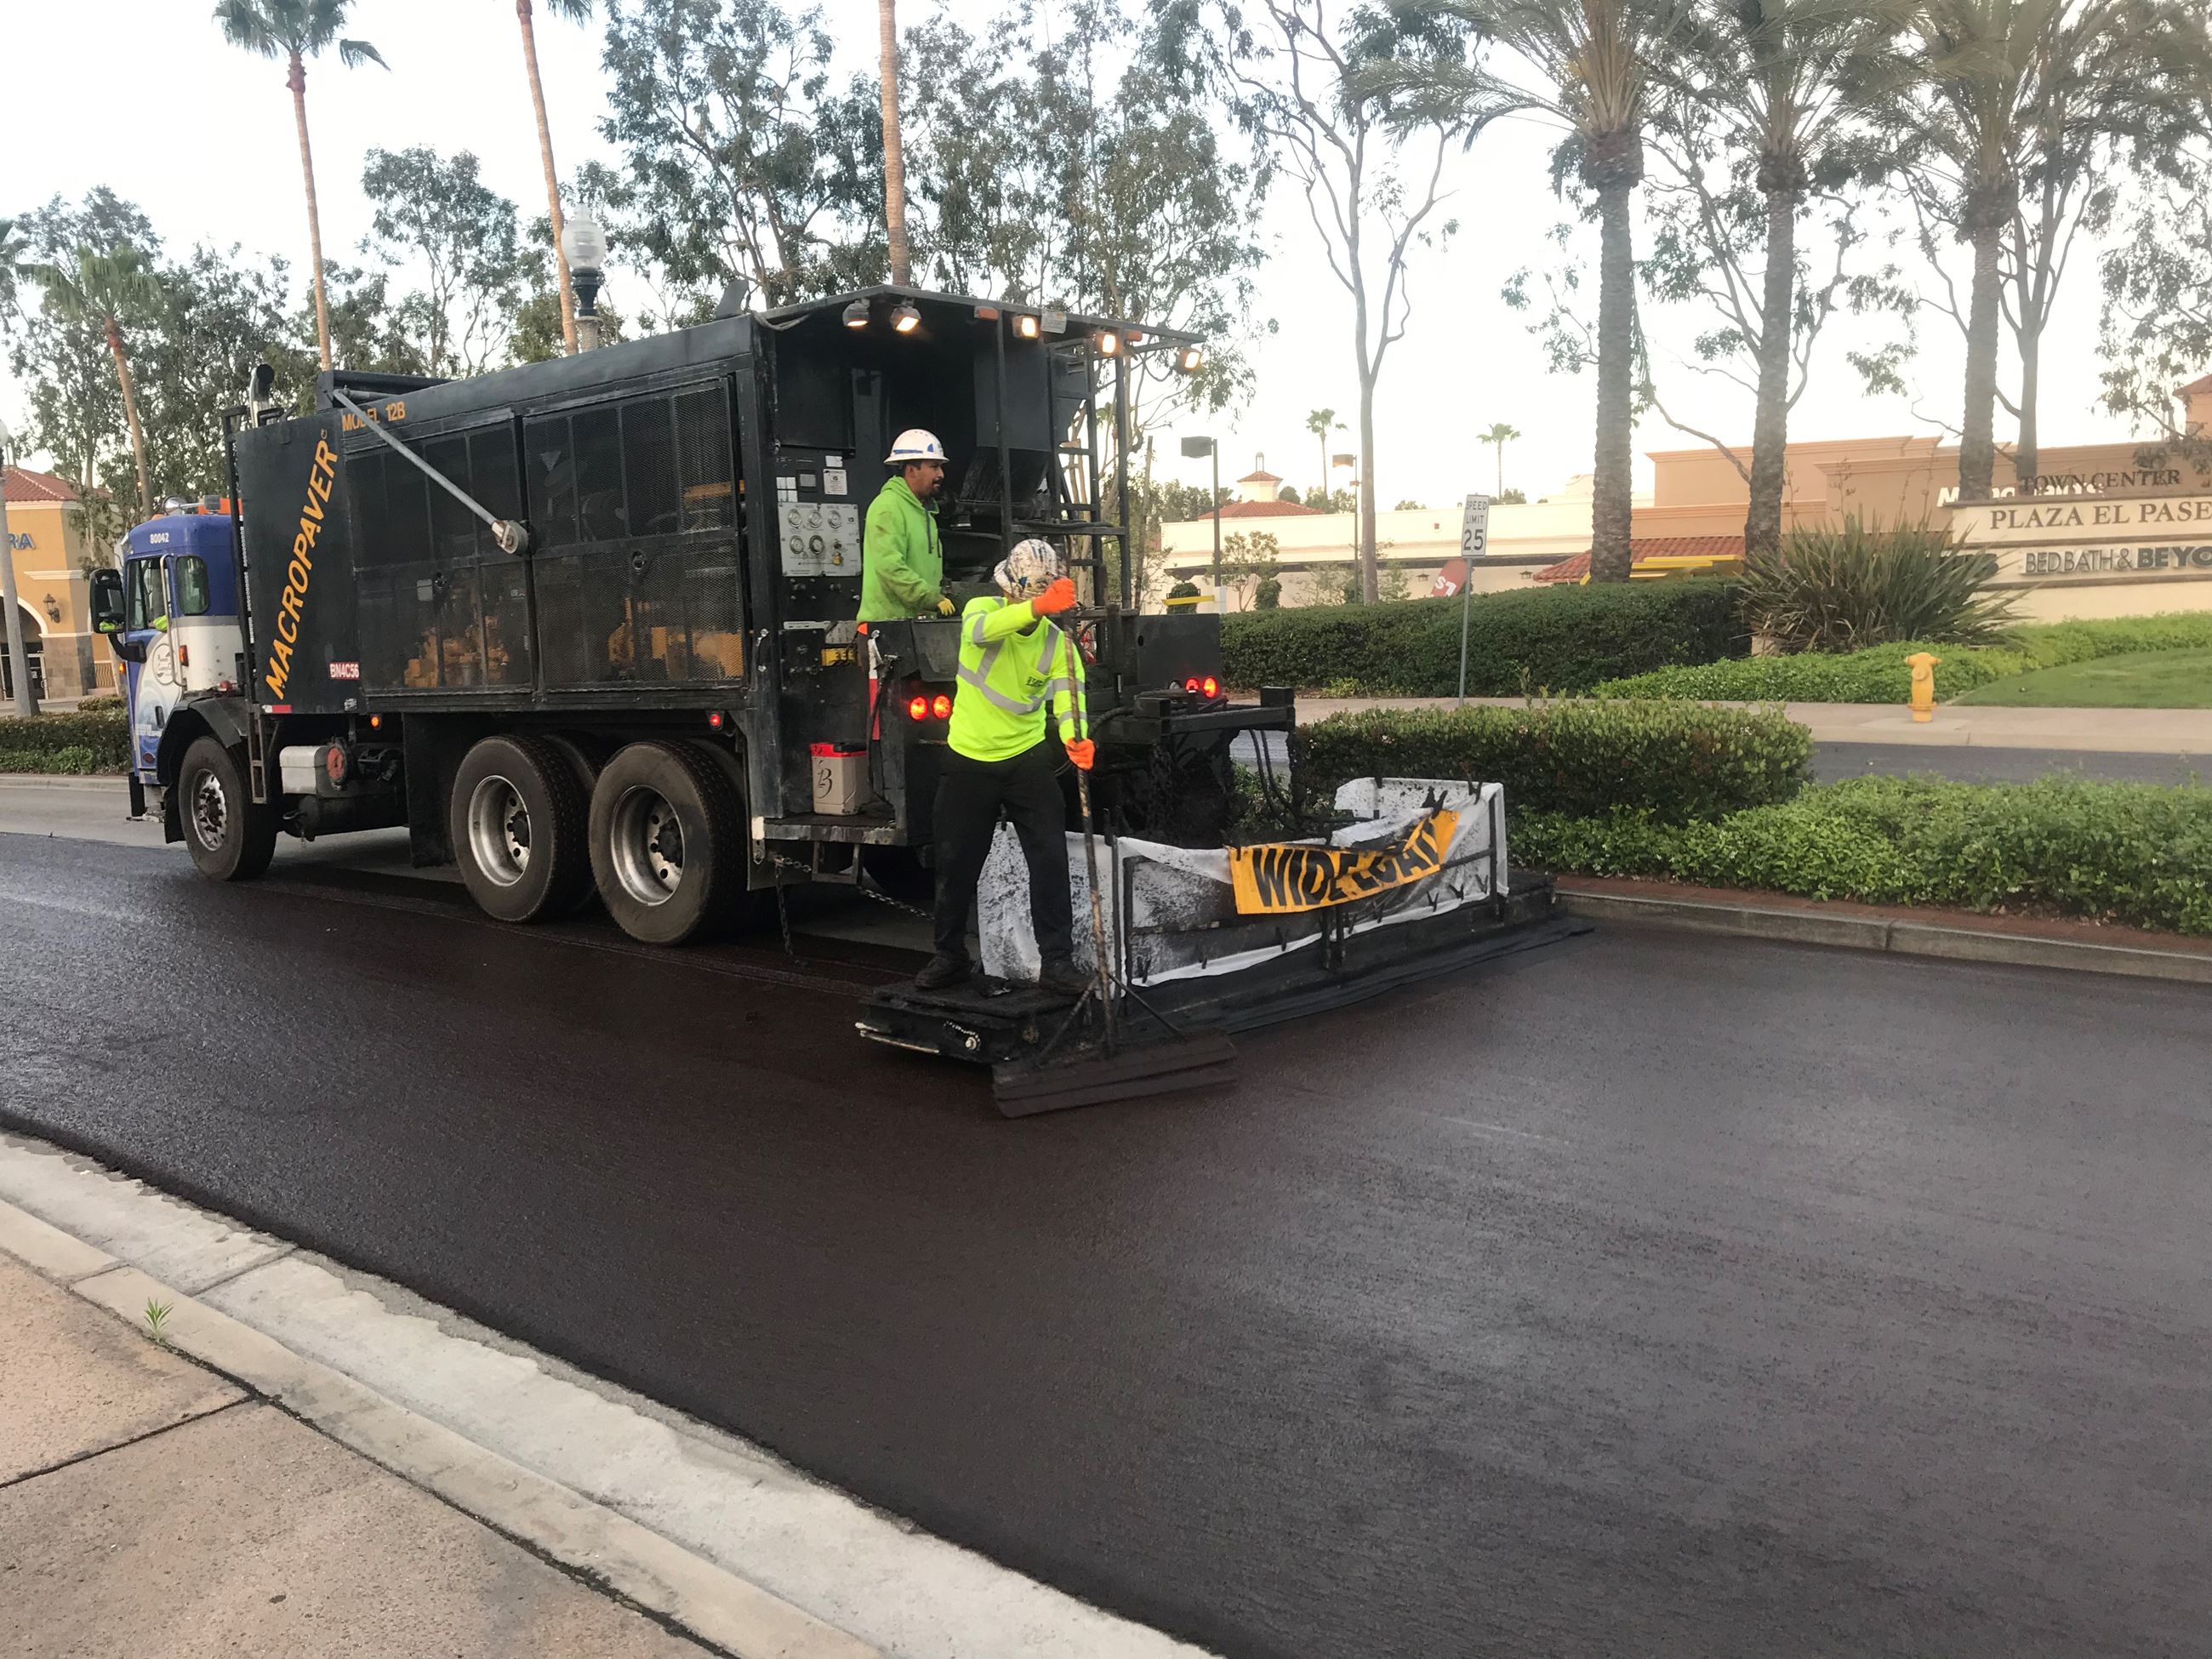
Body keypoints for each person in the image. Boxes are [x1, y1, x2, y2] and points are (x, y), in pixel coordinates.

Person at [918, 539, 1095, 995]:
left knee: (1050, 860)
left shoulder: (1060, 646)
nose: (1029, 602)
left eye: (1038, 595)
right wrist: (1035, 608)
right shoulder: (981, 610)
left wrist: (1076, 736)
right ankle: (950, 956)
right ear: (1010, 590)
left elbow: (1068, 698)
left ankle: (1057, 962)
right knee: (956, 864)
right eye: (1027, 595)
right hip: (968, 758)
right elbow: (980, 633)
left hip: (1026, 761)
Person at [858, 428, 960, 622]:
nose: (941, 474)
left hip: (913, 624)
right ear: (911, 470)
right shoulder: (887, 507)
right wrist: (930, 598)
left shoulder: (924, 512)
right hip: (886, 625)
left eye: (940, 467)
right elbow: (890, 566)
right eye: (934, 466)